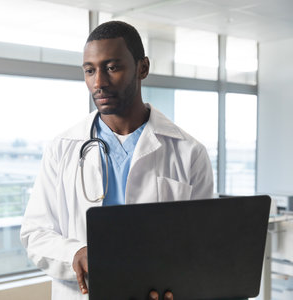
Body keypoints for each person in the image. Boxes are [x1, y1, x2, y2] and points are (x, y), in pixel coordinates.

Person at [20, 20, 214, 300]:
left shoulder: (189, 152)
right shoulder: (62, 148)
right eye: (90, 71)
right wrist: (75, 253)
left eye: (112, 67)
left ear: (142, 68)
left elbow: (201, 243)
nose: (99, 82)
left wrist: (182, 283)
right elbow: (35, 233)